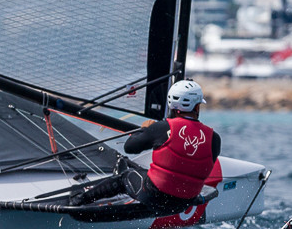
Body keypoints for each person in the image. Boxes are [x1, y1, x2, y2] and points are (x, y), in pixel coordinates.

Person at [70, 79, 221, 212]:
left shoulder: (162, 128)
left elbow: (129, 147)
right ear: (196, 107)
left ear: (171, 104)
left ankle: (79, 199)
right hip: (185, 202)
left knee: (124, 177)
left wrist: (146, 130)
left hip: (155, 197)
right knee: (146, 172)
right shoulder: (214, 138)